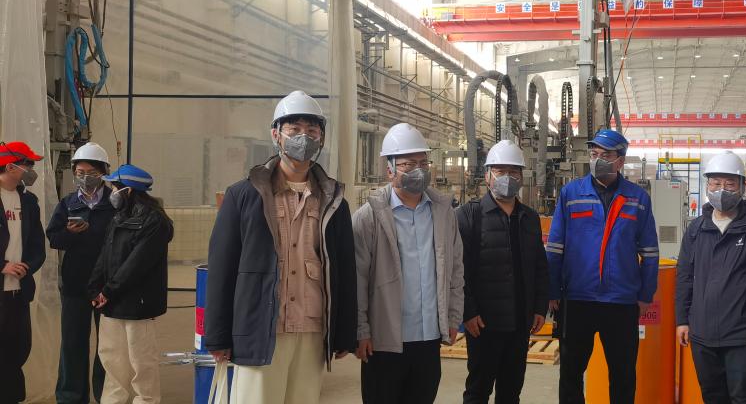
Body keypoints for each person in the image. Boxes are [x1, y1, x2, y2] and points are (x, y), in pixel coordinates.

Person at [205, 91, 357, 403]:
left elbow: (344, 269)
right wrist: (217, 334)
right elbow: (222, 268)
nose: (304, 137)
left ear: (322, 138)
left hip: (312, 329)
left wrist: (344, 331)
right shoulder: (244, 196)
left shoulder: (334, 201)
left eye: (312, 130)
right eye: (294, 129)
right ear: (276, 134)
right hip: (261, 327)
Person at [353, 123, 464, 404]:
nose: (419, 170)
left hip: (428, 338)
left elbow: (455, 271)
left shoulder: (443, 214)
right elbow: (357, 280)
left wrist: (452, 318)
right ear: (390, 169)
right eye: (409, 164)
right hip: (385, 340)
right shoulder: (368, 217)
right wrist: (361, 330)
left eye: (423, 163)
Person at [546, 129, 659, 404]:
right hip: (577, 299)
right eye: (594, 154)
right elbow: (555, 247)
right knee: (571, 375)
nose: (598, 160)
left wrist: (646, 294)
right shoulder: (571, 194)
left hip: (621, 302)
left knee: (623, 376)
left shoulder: (637, 199)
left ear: (620, 161)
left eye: (605, 155)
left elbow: (650, 252)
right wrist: (552, 290)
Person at [675, 151, 746, 404]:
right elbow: (685, 277)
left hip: (743, 336)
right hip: (702, 333)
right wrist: (682, 320)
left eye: (730, 184)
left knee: (744, 397)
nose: (721, 190)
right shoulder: (697, 229)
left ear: (743, 186)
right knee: (712, 396)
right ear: (707, 186)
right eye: (715, 183)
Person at [457, 140, 548, 404]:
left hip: (520, 323)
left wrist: (539, 307)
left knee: (511, 392)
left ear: (521, 177)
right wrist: (468, 312)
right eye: (500, 171)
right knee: (478, 391)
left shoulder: (529, 218)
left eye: (513, 171)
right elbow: (458, 270)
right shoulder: (469, 215)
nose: (507, 177)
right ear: (487, 176)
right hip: (483, 324)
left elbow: (540, 266)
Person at [88, 164, 173, 404]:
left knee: (141, 361)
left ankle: (146, 400)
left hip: (138, 304)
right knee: (112, 359)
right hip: (112, 302)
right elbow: (105, 255)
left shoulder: (155, 221)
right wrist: (95, 288)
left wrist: (108, 290)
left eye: (115, 186)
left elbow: (137, 263)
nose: (112, 191)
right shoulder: (119, 216)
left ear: (129, 190)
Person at [47, 142, 114, 403]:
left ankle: (106, 395)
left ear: (103, 172)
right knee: (72, 344)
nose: (85, 177)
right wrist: (69, 233)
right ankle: (70, 397)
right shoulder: (68, 203)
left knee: (107, 347)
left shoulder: (115, 203)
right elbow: (54, 238)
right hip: (75, 285)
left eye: (91, 172)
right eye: (80, 172)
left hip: (106, 287)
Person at [0, 141, 46, 404]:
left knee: (17, 350)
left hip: (19, 292)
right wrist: (2, 265)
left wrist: (27, 266)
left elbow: (38, 245)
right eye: (28, 164)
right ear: (10, 166)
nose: (31, 169)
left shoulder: (28, 202)